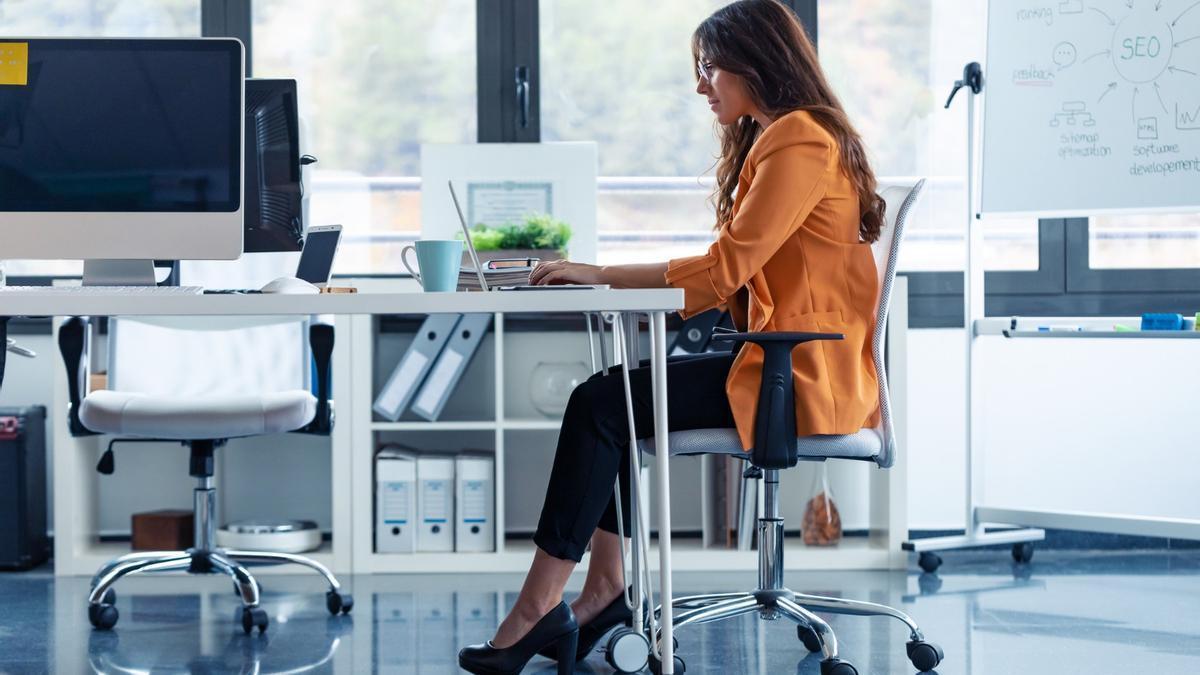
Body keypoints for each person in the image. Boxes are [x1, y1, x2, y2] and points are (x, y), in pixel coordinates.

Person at [458, 1, 887, 672]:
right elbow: (734, 266)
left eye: (709, 68)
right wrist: (603, 276)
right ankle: (602, 590)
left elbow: (724, 270)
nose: (700, 86)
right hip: (787, 362)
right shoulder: (788, 135)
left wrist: (597, 273)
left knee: (602, 404)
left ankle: (545, 605)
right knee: (615, 401)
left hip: (798, 376)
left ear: (757, 63)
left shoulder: (799, 138)